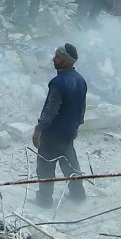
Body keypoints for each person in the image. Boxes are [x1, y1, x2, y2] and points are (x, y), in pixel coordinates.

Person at [31, 43, 87, 206]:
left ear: (65, 62)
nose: (54, 59)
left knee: (45, 167)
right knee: (70, 164)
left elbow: (51, 110)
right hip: (69, 132)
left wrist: (38, 129)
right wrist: (77, 126)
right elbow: (82, 107)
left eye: (57, 57)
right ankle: (78, 195)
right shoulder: (81, 80)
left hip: (53, 134)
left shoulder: (57, 83)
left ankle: (44, 200)